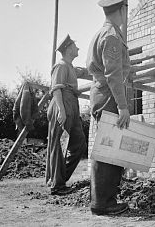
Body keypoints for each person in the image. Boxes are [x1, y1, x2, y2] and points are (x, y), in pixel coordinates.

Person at [86, 0, 131, 215]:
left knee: (108, 147)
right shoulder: (112, 35)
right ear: (121, 10)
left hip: (102, 94)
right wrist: (123, 106)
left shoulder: (101, 33)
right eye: (125, 10)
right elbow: (113, 74)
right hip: (109, 96)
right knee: (109, 150)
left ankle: (103, 200)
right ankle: (103, 203)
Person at [46, 34, 87, 195]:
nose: (78, 49)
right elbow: (56, 89)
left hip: (72, 104)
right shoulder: (61, 66)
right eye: (75, 46)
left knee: (80, 143)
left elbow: (81, 71)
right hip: (61, 103)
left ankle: (60, 178)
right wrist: (61, 111)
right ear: (69, 49)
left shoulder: (69, 66)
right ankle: (57, 185)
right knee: (58, 144)